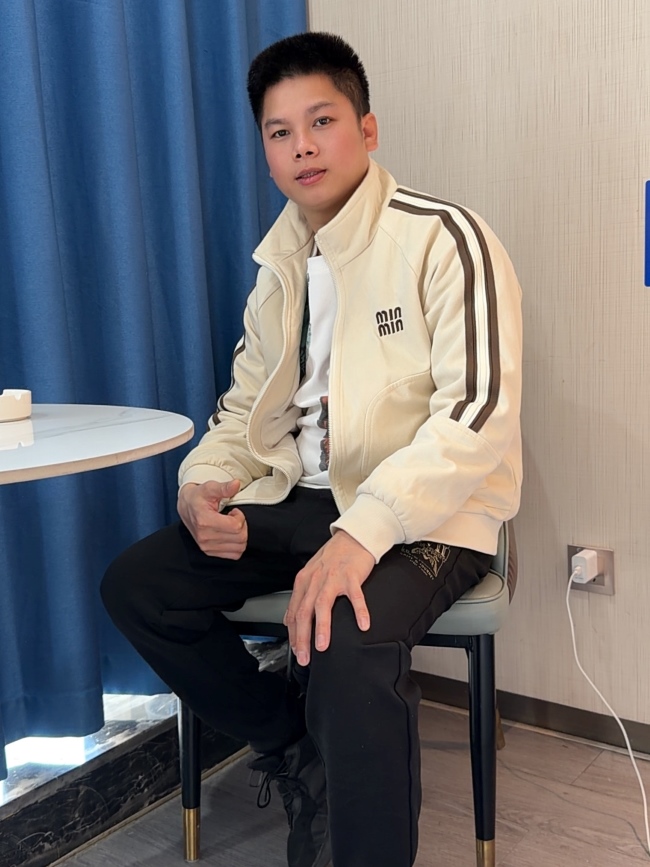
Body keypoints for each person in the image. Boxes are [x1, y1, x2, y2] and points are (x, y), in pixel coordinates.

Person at [101, 31, 522, 867]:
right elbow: (241, 410)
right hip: (301, 498)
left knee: (344, 638)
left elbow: (477, 414)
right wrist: (201, 486)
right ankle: (297, 742)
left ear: (367, 129)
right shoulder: (281, 266)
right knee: (139, 586)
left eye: (321, 121)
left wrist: (363, 532)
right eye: (279, 130)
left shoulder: (443, 237)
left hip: (425, 515)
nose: (301, 146)